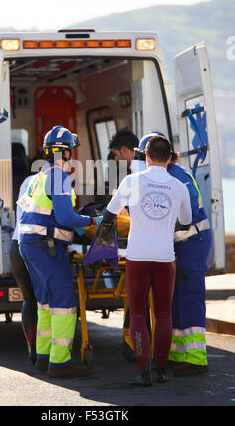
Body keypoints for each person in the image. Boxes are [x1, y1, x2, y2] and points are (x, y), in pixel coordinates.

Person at [99, 135, 192, 386]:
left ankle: (144, 373)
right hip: (165, 256)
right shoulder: (179, 186)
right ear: (170, 158)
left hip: (137, 257)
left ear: (146, 156)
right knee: (163, 314)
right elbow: (185, 222)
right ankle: (162, 369)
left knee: (138, 315)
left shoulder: (131, 181)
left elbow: (109, 215)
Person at [17, 125, 96, 378]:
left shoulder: (39, 176)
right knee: (63, 302)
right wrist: (93, 221)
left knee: (45, 302)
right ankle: (60, 363)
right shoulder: (59, 177)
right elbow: (64, 216)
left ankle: (43, 356)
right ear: (68, 152)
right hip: (46, 248)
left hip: (30, 246)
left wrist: (78, 224)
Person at [136, 132, 213, 375]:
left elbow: (185, 217)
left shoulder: (178, 177)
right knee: (175, 298)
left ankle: (196, 358)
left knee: (189, 297)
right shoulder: (161, 176)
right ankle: (178, 353)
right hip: (178, 244)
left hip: (192, 241)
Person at [10, 173, 38, 366]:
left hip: (16, 245)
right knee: (44, 300)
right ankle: (45, 352)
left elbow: (23, 211)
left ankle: (33, 350)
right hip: (35, 245)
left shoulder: (28, 181)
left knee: (28, 298)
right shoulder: (55, 180)